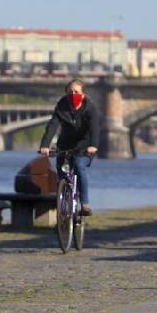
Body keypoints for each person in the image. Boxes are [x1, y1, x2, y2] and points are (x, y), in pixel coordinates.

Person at [39, 79, 100, 216]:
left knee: (79, 165)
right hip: (65, 145)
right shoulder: (61, 107)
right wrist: (45, 145)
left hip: (84, 147)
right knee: (61, 173)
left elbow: (94, 128)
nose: (73, 94)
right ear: (66, 94)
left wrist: (93, 145)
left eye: (76, 92)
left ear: (83, 94)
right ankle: (63, 210)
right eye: (70, 92)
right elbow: (52, 125)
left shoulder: (90, 109)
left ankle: (84, 203)